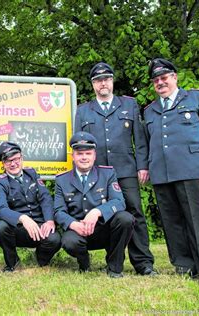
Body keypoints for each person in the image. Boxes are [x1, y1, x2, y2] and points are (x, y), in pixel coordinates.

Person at [144, 58, 199, 285]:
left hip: (193, 170)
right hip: (163, 173)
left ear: (175, 77)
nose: (160, 82)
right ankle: (185, 265)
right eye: (156, 80)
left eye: (164, 77)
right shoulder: (150, 111)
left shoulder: (196, 98)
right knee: (173, 221)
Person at [75, 62, 156, 276]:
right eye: (98, 80)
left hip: (126, 170)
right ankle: (112, 256)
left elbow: (139, 140)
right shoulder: (83, 111)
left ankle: (143, 263)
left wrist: (142, 166)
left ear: (112, 81)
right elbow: (78, 145)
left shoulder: (129, 105)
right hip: (97, 174)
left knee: (135, 213)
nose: (103, 83)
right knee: (104, 215)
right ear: (93, 84)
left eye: (106, 79)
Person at [54, 132, 134, 278]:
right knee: (69, 241)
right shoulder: (62, 180)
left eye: (88, 153)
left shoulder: (107, 174)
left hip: (103, 228)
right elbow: (59, 211)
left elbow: (119, 202)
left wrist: (97, 212)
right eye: (79, 153)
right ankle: (84, 262)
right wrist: (73, 224)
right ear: (73, 156)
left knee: (125, 219)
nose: (84, 157)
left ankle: (115, 267)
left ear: (94, 156)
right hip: (79, 230)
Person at [0, 141, 60, 272]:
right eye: (8, 161)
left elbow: (45, 198)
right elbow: (0, 210)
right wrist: (23, 218)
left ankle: (41, 260)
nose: (13, 164)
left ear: (22, 157)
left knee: (54, 239)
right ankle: (12, 263)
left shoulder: (32, 173)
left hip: (39, 226)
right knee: (0, 227)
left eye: (16, 159)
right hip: (18, 229)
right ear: (3, 164)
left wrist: (49, 221)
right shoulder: (0, 183)